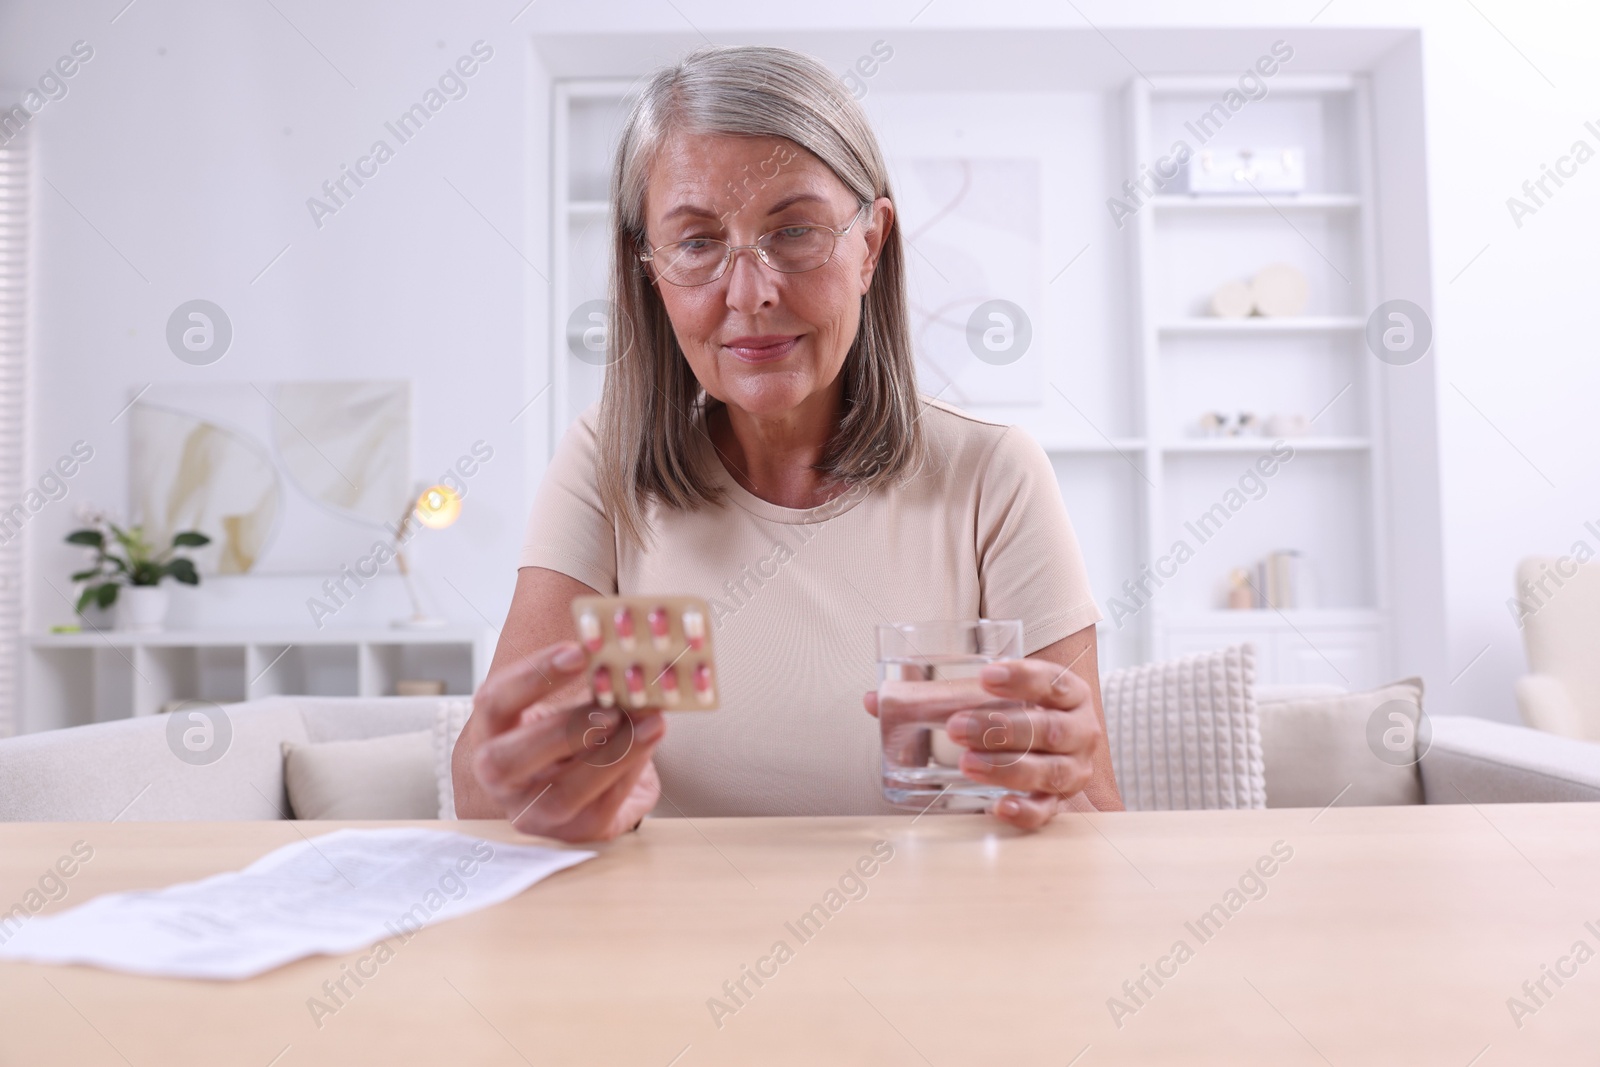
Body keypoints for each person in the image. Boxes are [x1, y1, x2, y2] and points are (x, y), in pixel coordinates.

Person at [452, 44, 1122, 842]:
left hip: (932, 942)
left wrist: (1054, 777)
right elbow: (484, 796)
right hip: (663, 945)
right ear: (648, 273)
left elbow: (1092, 820)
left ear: (871, 245)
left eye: (795, 230)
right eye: (697, 243)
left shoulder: (993, 475)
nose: (752, 291)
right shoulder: (606, 466)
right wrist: (546, 775)